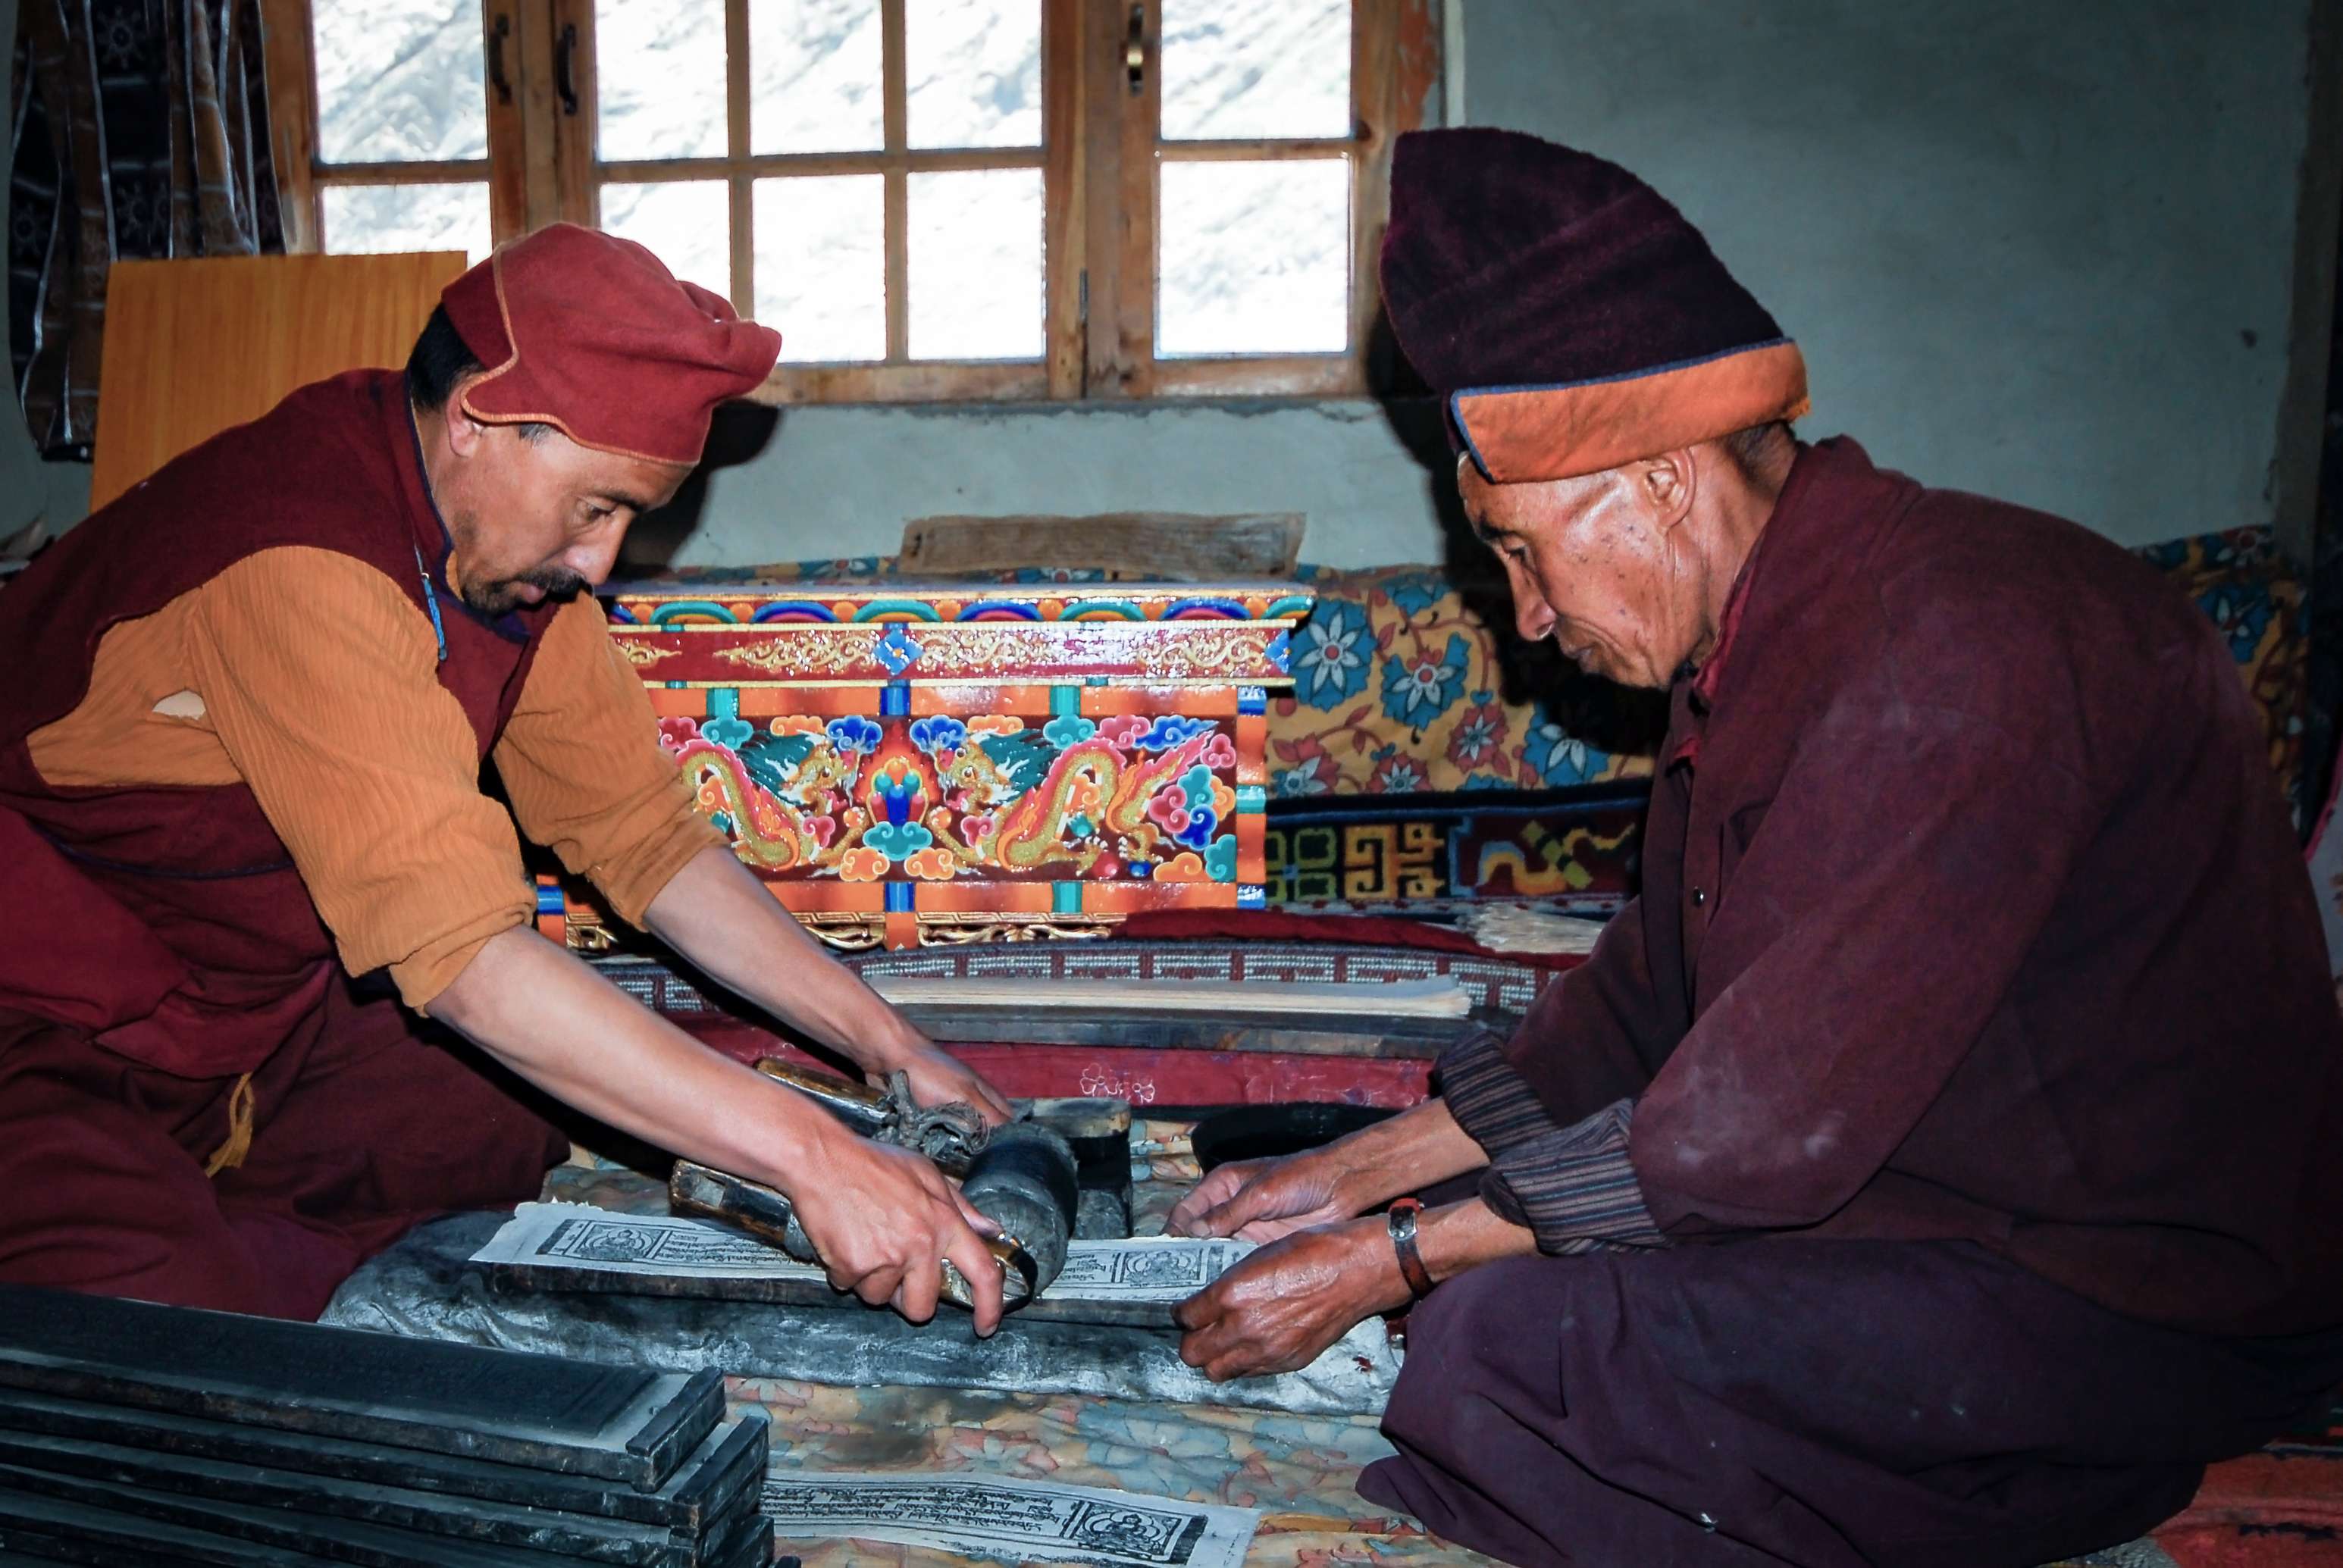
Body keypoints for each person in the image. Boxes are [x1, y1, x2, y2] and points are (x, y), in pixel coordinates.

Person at [1170, 129, 2343, 1567]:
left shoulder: (1966, 639)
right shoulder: (1763, 643)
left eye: (1526, 552)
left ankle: (2078, 1470)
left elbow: (1756, 1129)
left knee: (1506, 1345)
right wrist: (1350, 1174)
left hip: (2136, 1285)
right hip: (1934, 1200)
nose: (1526, 616)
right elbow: (1646, 1003)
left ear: (1659, 481)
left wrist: (1386, 1257)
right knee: (1511, 1314)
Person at [0, 224, 1014, 1332]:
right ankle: (207, 1271)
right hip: (48, 1026)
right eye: (595, 507)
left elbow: (644, 836)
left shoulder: (492, 555)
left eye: (630, 516)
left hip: (251, 1007)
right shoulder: (302, 559)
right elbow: (469, 963)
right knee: (163, 1335)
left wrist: (887, 1043)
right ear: (481, 420)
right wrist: (815, 1156)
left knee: (489, 1116)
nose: (603, 562)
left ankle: (228, 1243)